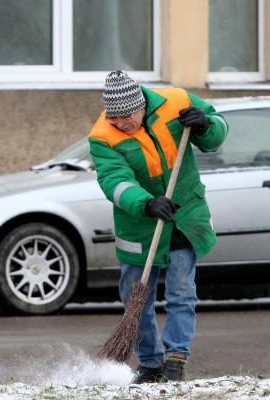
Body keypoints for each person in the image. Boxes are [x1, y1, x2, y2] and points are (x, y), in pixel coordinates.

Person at [88, 71, 228, 383]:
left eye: (127, 116)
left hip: (184, 218)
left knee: (181, 291)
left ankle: (176, 359)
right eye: (115, 118)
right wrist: (146, 203)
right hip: (140, 226)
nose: (121, 123)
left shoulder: (175, 101)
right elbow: (114, 180)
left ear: (142, 106)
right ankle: (150, 364)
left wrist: (205, 125)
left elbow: (218, 128)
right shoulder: (102, 137)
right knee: (137, 299)